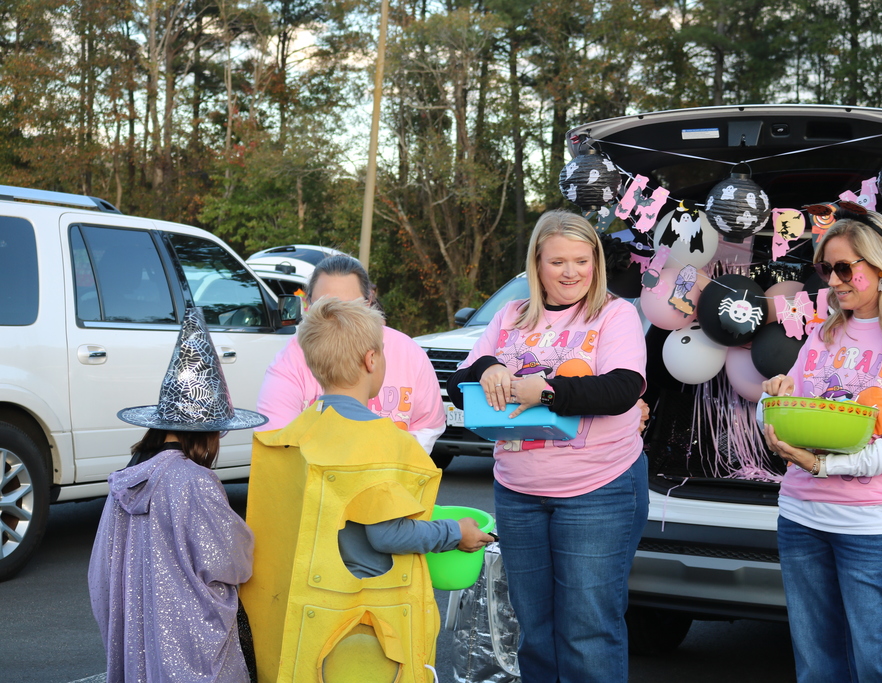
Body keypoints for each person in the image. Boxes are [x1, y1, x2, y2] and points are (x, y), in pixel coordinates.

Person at [242, 297, 494, 682]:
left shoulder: (292, 436)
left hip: (305, 621)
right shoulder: (387, 442)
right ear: (372, 360)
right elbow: (387, 533)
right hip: (366, 626)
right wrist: (456, 532)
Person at [446, 209, 648, 683]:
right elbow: (459, 383)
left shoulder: (614, 314)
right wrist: (489, 367)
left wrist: (549, 392)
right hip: (518, 490)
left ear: (596, 262)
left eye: (583, 260)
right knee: (534, 631)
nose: (572, 272)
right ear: (537, 264)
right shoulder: (510, 316)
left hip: (597, 490)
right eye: (558, 262)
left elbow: (623, 389)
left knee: (587, 631)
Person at [761, 208, 882, 683]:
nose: (834, 281)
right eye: (827, 269)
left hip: (870, 524)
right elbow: (787, 414)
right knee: (817, 665)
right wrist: (772, 397)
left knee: (876, 663)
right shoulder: (823, 333)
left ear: (881, 268)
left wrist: (823, 466)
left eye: (845, 268)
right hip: (802, 515)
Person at [88, 307, 269, 682]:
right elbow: (233, 561)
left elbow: (100, 577)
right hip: (194, 658)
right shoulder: (194, 481)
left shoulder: (122, 483)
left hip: (138, 653)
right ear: (207, 434)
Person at [256, 252, 445, 454]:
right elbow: (277, 441)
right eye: (325, 307)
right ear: (307, 304)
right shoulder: (291, 359)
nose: (338, 319)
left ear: (369, 301)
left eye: (349, 307)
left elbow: (428, 425)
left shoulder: (408, 352)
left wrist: (391, 467)